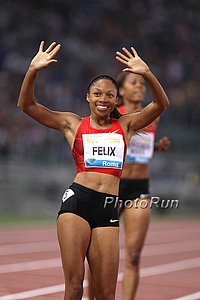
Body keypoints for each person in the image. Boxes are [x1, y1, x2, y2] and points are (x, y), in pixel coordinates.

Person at [17, 42, 169, 300]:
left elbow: (161, 104)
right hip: (77, 204)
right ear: (88, 97)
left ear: (115, 99)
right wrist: (32, 70)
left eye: (109, 95)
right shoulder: (72, 123)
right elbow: (27, 106)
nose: (103, 99)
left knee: (106, 294)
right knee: (75, 287)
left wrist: (147, 73)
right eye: (97, 94)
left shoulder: (126, 126)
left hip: (108, 206)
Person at [116, 71, 171, 300]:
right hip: (113, 186)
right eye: (133, 82)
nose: (139, 86)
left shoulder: (152, 116)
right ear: (121, 90)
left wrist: (155, 147)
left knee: (134, 255)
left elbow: (139, 147)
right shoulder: (112, 114)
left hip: (139, 188)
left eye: (142, 83)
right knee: (100, 255)